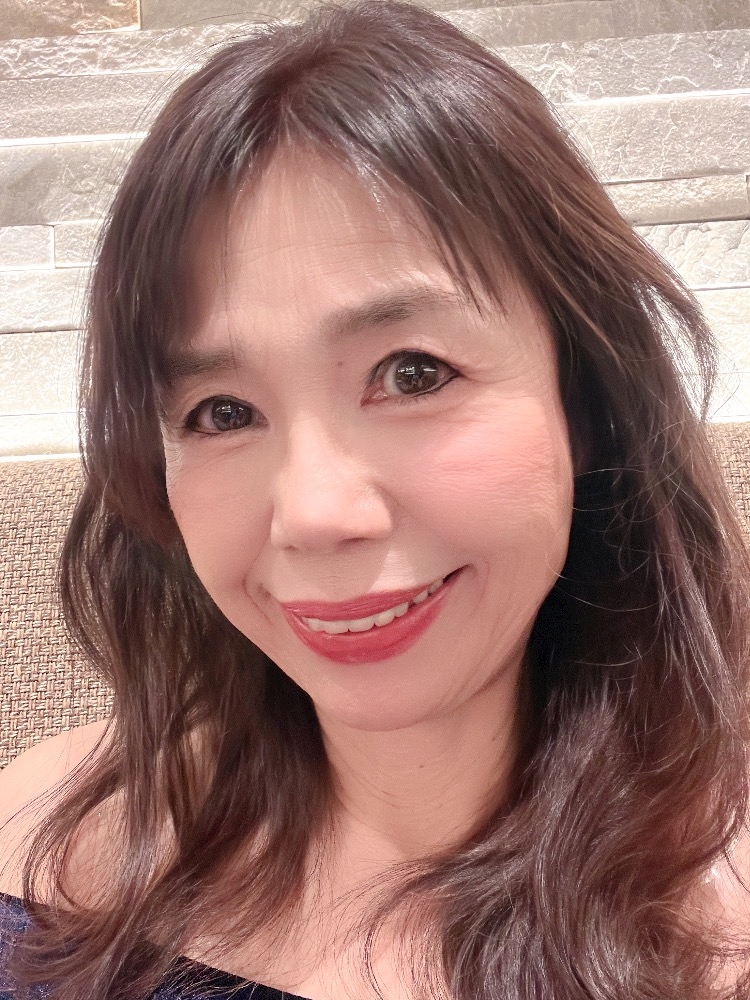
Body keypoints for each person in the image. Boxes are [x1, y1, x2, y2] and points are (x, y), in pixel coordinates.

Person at [1, 2, 749, 997]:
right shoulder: (40, 839)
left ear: (585, 402)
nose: (315, 514)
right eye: (223, 412)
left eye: (412, 373)